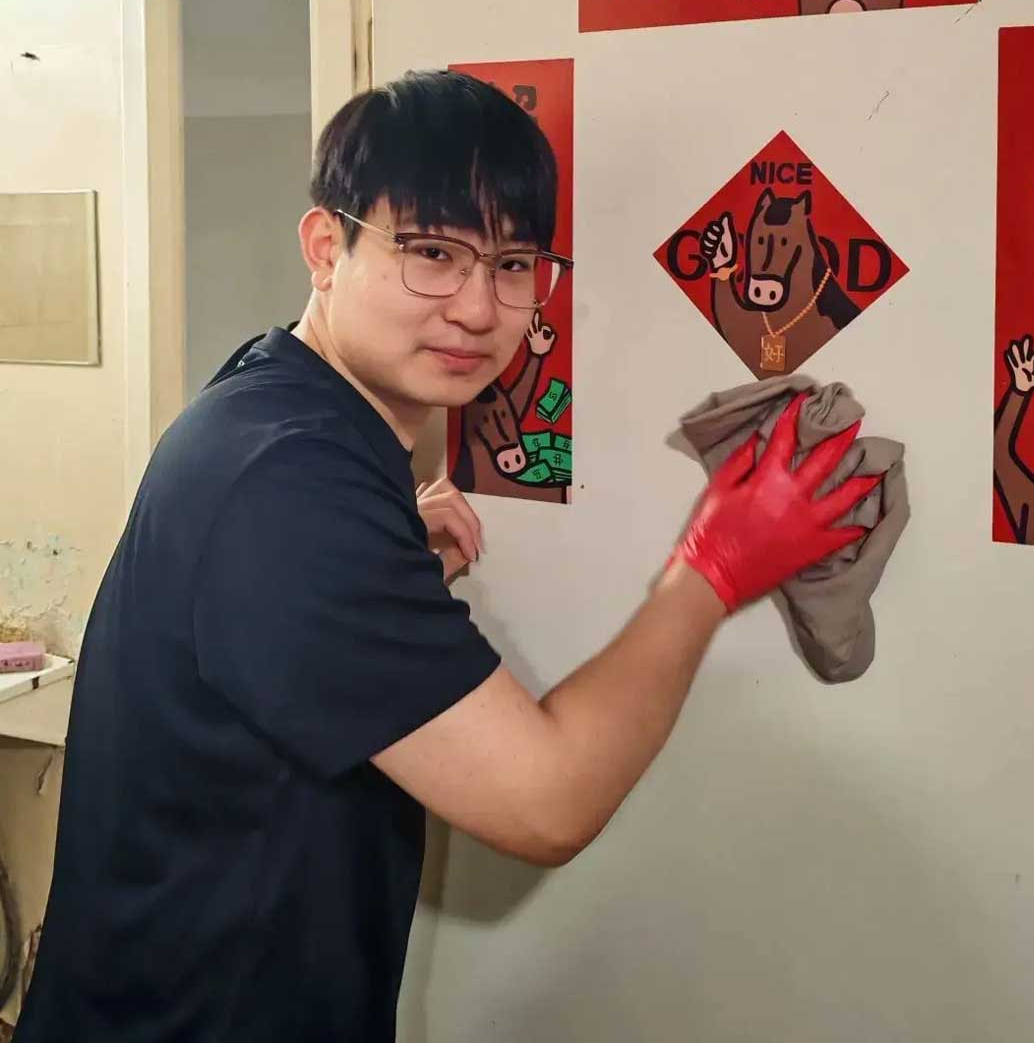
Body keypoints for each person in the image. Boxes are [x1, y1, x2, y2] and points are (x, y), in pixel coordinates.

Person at [16, 70, 877, 1043]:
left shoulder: (277, 408)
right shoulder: (287, 483)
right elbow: (546, 803)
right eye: (432, 252)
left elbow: (281, 637)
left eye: (513, 264)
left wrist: (388, 553)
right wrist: (713, 568)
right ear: (326, 248)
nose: (477, 307)